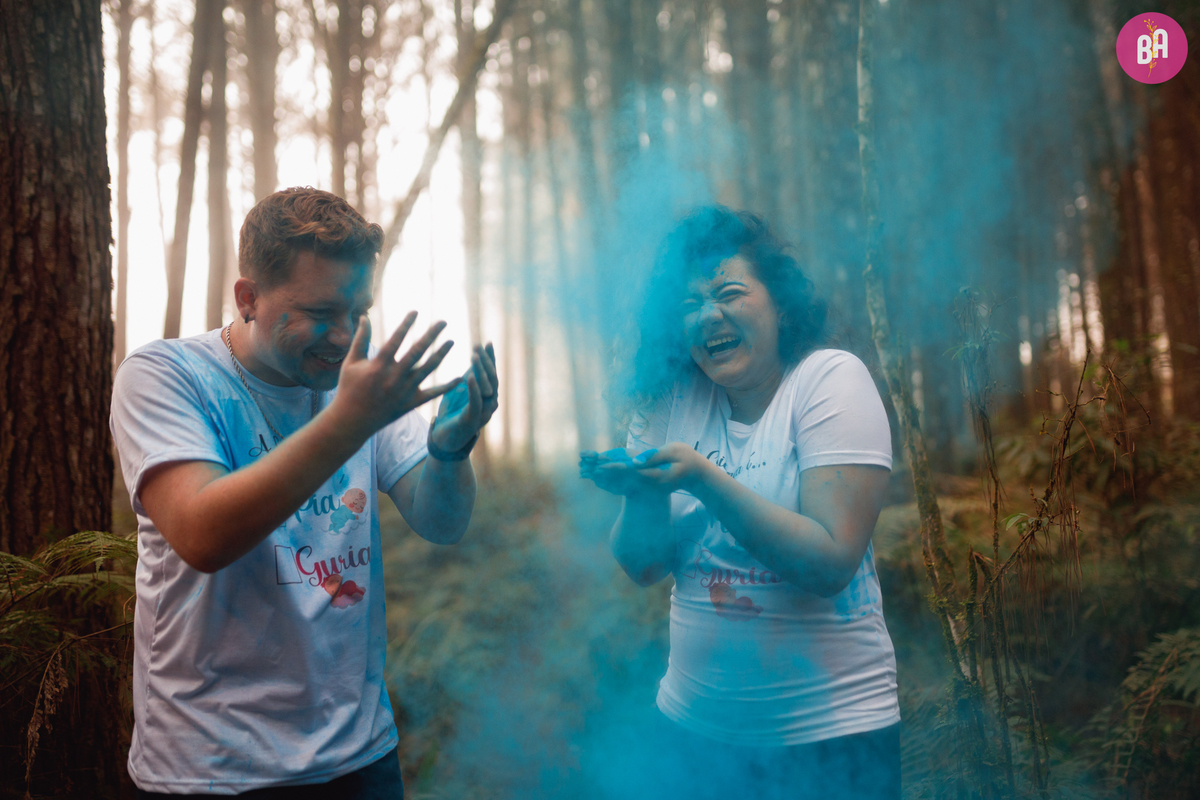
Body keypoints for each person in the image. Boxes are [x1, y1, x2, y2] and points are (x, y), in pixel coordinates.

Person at [110, 187, 498, 798]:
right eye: (320, 312)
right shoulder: (166, 376)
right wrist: (350, 421)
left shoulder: (359, 385)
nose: (343, 337)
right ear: (248, 298)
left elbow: (441, 521)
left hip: (359, 756)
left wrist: (451, 452)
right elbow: (202, 535)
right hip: (208, 766)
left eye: (357, 312)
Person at [581, 207, 900, 800]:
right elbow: (644, 566)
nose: (708, 315)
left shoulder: (829, 380)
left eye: (728, 293)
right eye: (689, 304)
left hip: (830, 742)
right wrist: (642, 492)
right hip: (692, 736)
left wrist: (705, 480)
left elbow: (831, 561)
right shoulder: (671, 400)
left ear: (781, 305)